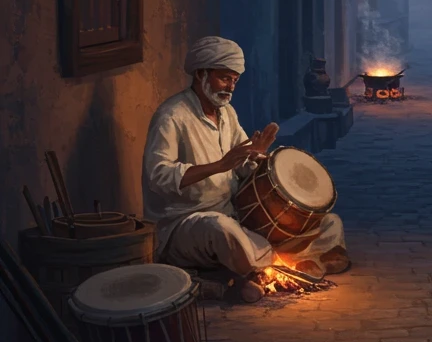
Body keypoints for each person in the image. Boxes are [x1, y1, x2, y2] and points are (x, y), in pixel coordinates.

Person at [142, 36, 349, 303]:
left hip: (236, 213)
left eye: (235, 80)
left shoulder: (226, 113)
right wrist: (220, 165)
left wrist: (258, 156)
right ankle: (293, 262)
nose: (230, 87)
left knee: (329, 222)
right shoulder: (172, 116)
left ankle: (262, 270)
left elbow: (242, 163)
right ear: (201, 73)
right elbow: (157, 176)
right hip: (187, 224)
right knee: (222, 230)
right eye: (224, 78)